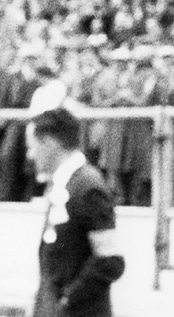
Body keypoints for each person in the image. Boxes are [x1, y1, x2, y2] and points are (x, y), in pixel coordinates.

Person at [28, 107, 125, 317]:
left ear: (49, 144)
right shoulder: (66, 183)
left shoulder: (88, 188)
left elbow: (110, 261)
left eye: (33, 147)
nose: (31, 154)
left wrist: (67, 299)